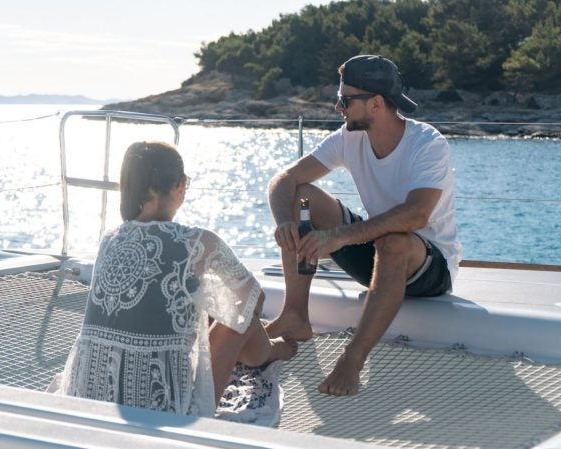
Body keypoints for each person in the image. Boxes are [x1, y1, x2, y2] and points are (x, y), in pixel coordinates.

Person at [266, 55, 461, 396]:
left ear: (375, 103)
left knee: (394, 241)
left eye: (345, 99)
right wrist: (285, 220)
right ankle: (295, 314)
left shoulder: (427, 144)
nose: (337, 107)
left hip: (430, 267)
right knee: (302, 195)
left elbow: (417, 215)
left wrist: (338, 237)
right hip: (377, 251)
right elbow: (286, 179)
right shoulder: (348, 137)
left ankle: (352, 360)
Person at [57, 141, 296, 417]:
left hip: (86, 399)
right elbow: (255, 298)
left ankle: (263, 349)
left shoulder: (110, 238)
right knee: (240, 312)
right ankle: (271, 353)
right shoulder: (199, 241)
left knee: (198, 304)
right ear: (180, 185)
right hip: (165, 412)